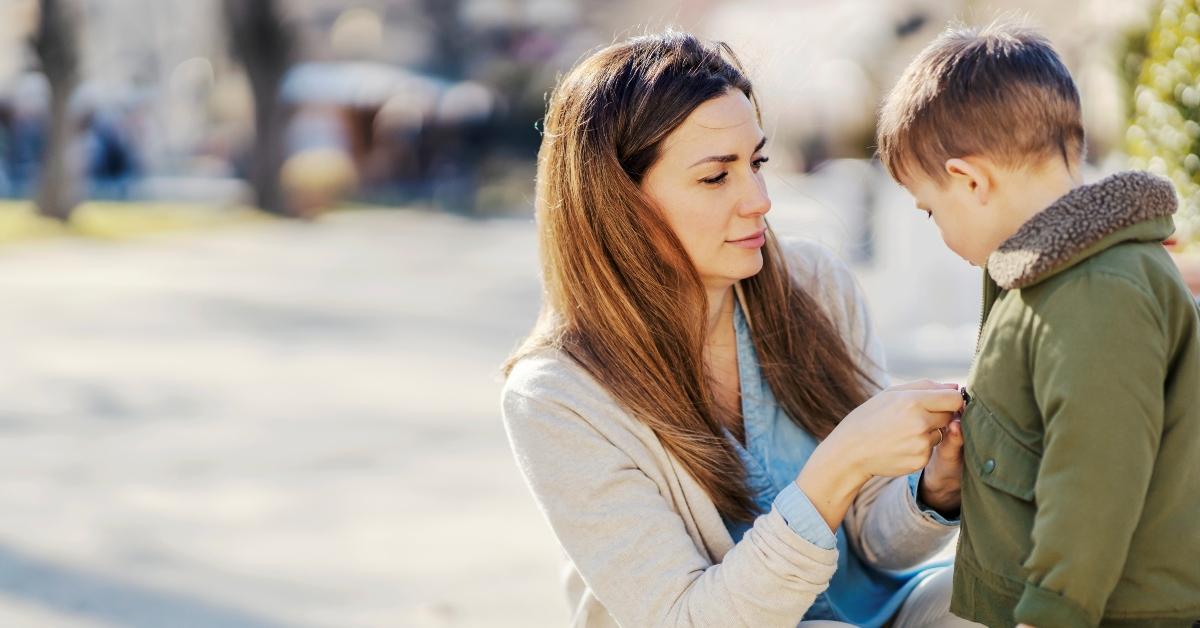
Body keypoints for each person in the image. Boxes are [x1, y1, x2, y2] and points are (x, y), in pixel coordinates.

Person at [500, 31, 979, 627]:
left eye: (756, 163)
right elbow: (686, 619)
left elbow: (877, 545)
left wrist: (934, 486)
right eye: (715, 177)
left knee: (1008, 594)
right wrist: (838, 467)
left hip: (877, 613)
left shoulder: (815, 286)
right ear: (617, 201)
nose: (759, 201)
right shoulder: (556, 397)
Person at [877, 22, 1200, 628]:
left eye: (930, 210)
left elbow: (1093, 478)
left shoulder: (1097, 290)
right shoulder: (1044, 280)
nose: (938, 232)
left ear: (969, 181)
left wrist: (1050, 614)